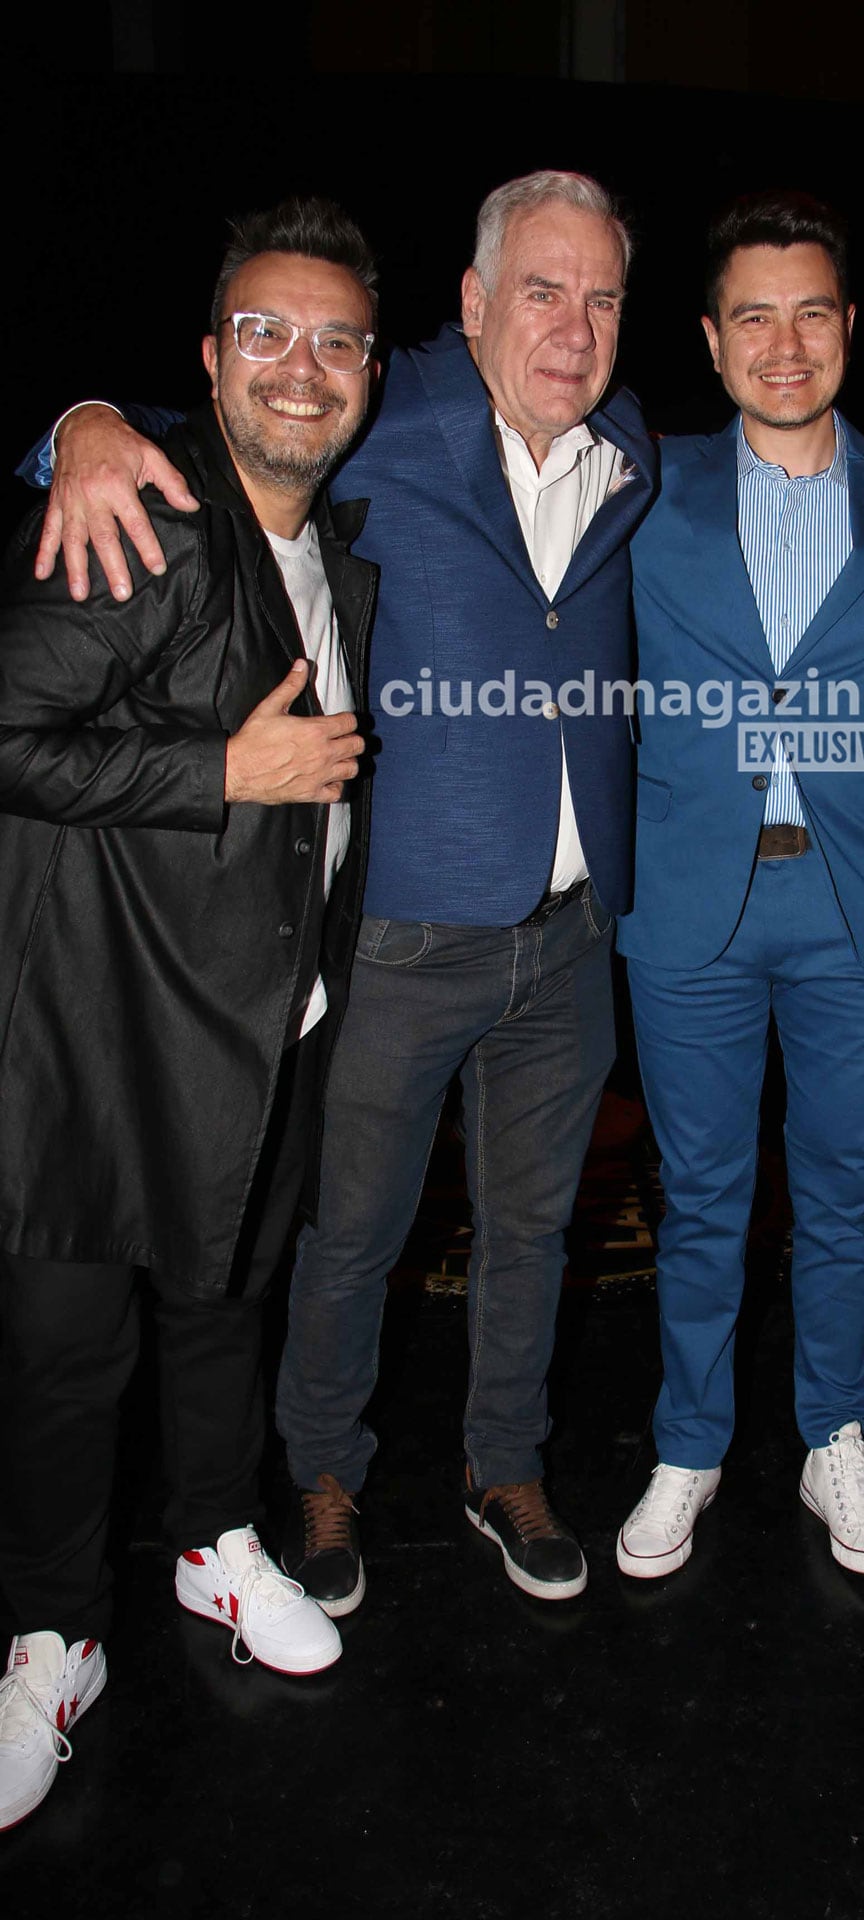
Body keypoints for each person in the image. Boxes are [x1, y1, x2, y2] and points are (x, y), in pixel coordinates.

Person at [31, 172, 658, 1611]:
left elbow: (754, 454)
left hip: (570, 941)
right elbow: (221, 434)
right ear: (476, 304)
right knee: (350, 1234)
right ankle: (323, 1472)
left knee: (535, 1229)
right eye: (544, 292)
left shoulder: (628, 440)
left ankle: (505, 1462)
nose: (573, 327)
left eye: (603, 297)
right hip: (399, 933)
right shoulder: (385, 411)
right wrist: (75, 431)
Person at [0, 196, 382, 1829]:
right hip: (98, 1039)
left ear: (372, 370)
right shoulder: (141, 522)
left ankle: (215, 1548)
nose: (303, 369)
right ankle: (47, 1642)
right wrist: (217, 771)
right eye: (266, 333)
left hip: (260, 1031)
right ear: (209, 362)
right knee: (68, 1359)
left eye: (337, 341)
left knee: (226, 1309)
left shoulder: (333, 565)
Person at [613, 192, 864, 1580]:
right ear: (708, 339)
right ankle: (689, 1445)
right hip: (689, 903)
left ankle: (836, 1441)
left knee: (843, 1193)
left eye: (810, 311)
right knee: (699, 1197)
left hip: (860, 910)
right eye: (752, 315)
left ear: (850, 329)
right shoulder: (644, 482)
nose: (783, 341)